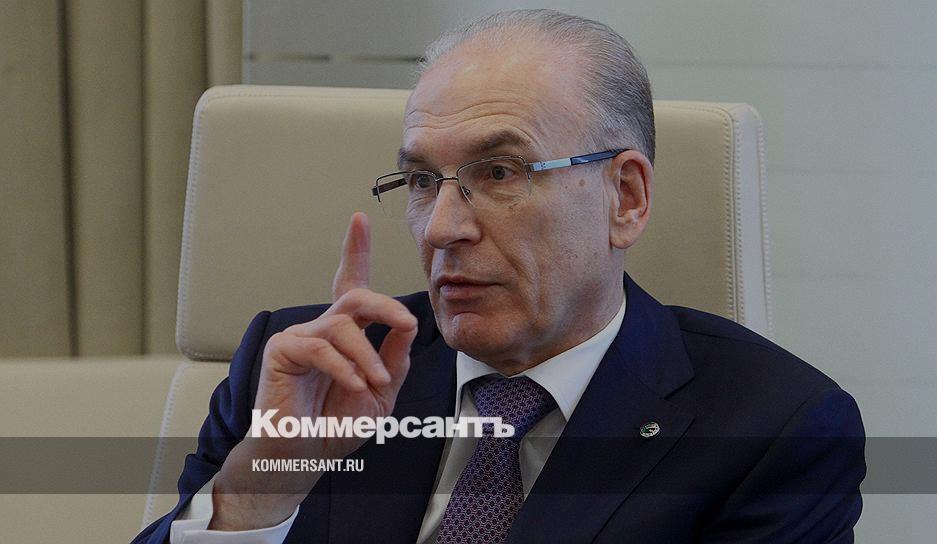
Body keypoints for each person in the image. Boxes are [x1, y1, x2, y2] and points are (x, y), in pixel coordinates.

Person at [135, 9, 865, 544]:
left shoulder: (771, 430)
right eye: (422, 181)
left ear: (625, 198)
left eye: (499, 172)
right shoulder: (308, 375)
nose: (442, 227)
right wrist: (259, 494)